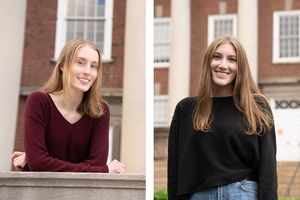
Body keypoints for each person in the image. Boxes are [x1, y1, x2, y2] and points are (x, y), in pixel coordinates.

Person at [168, 35, 277, 199]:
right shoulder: (185, 109)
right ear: (208, 62)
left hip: (243, 193)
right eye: (217, 57)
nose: (223, 65)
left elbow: (268, 167)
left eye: (232, 59)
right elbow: (175, 170)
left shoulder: (257, 106)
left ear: (240, 67)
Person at [11, 38, 125, 173]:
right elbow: (39, 164)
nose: (88, 71)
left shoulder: (100, 111)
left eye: (93, 66)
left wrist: (41, 162)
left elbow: (96, 166)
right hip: (43, 193)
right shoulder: (39, 102)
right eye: (81, 63)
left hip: (84, 194)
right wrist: (103, 169)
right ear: (62, 65)